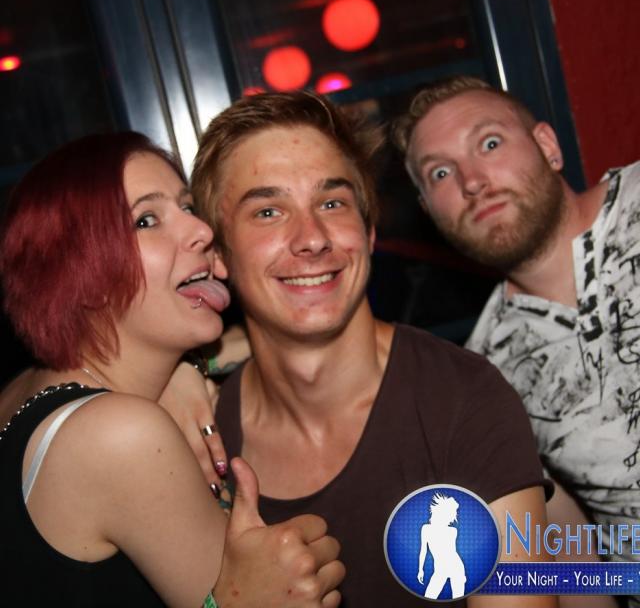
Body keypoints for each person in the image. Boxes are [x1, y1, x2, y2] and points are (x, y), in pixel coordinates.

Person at [179, 90, 556, 607]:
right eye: (268, 211)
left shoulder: (463, 400)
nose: (312, 238)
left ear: (370, 230)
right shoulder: (200, 438)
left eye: (331, 203)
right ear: (219, 253)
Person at [0, 131, 344, 607]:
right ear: (81, 273)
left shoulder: (25, 390)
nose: (201, 230)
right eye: (146, 220)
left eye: (187, 206)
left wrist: (185, 368)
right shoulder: (120, 433)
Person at [394, 75, 637, 607]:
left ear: (547, 146)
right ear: (430, 210)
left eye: (489, 143)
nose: (472, 181)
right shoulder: (486, 378)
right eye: (441, 173)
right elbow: (571, 555)